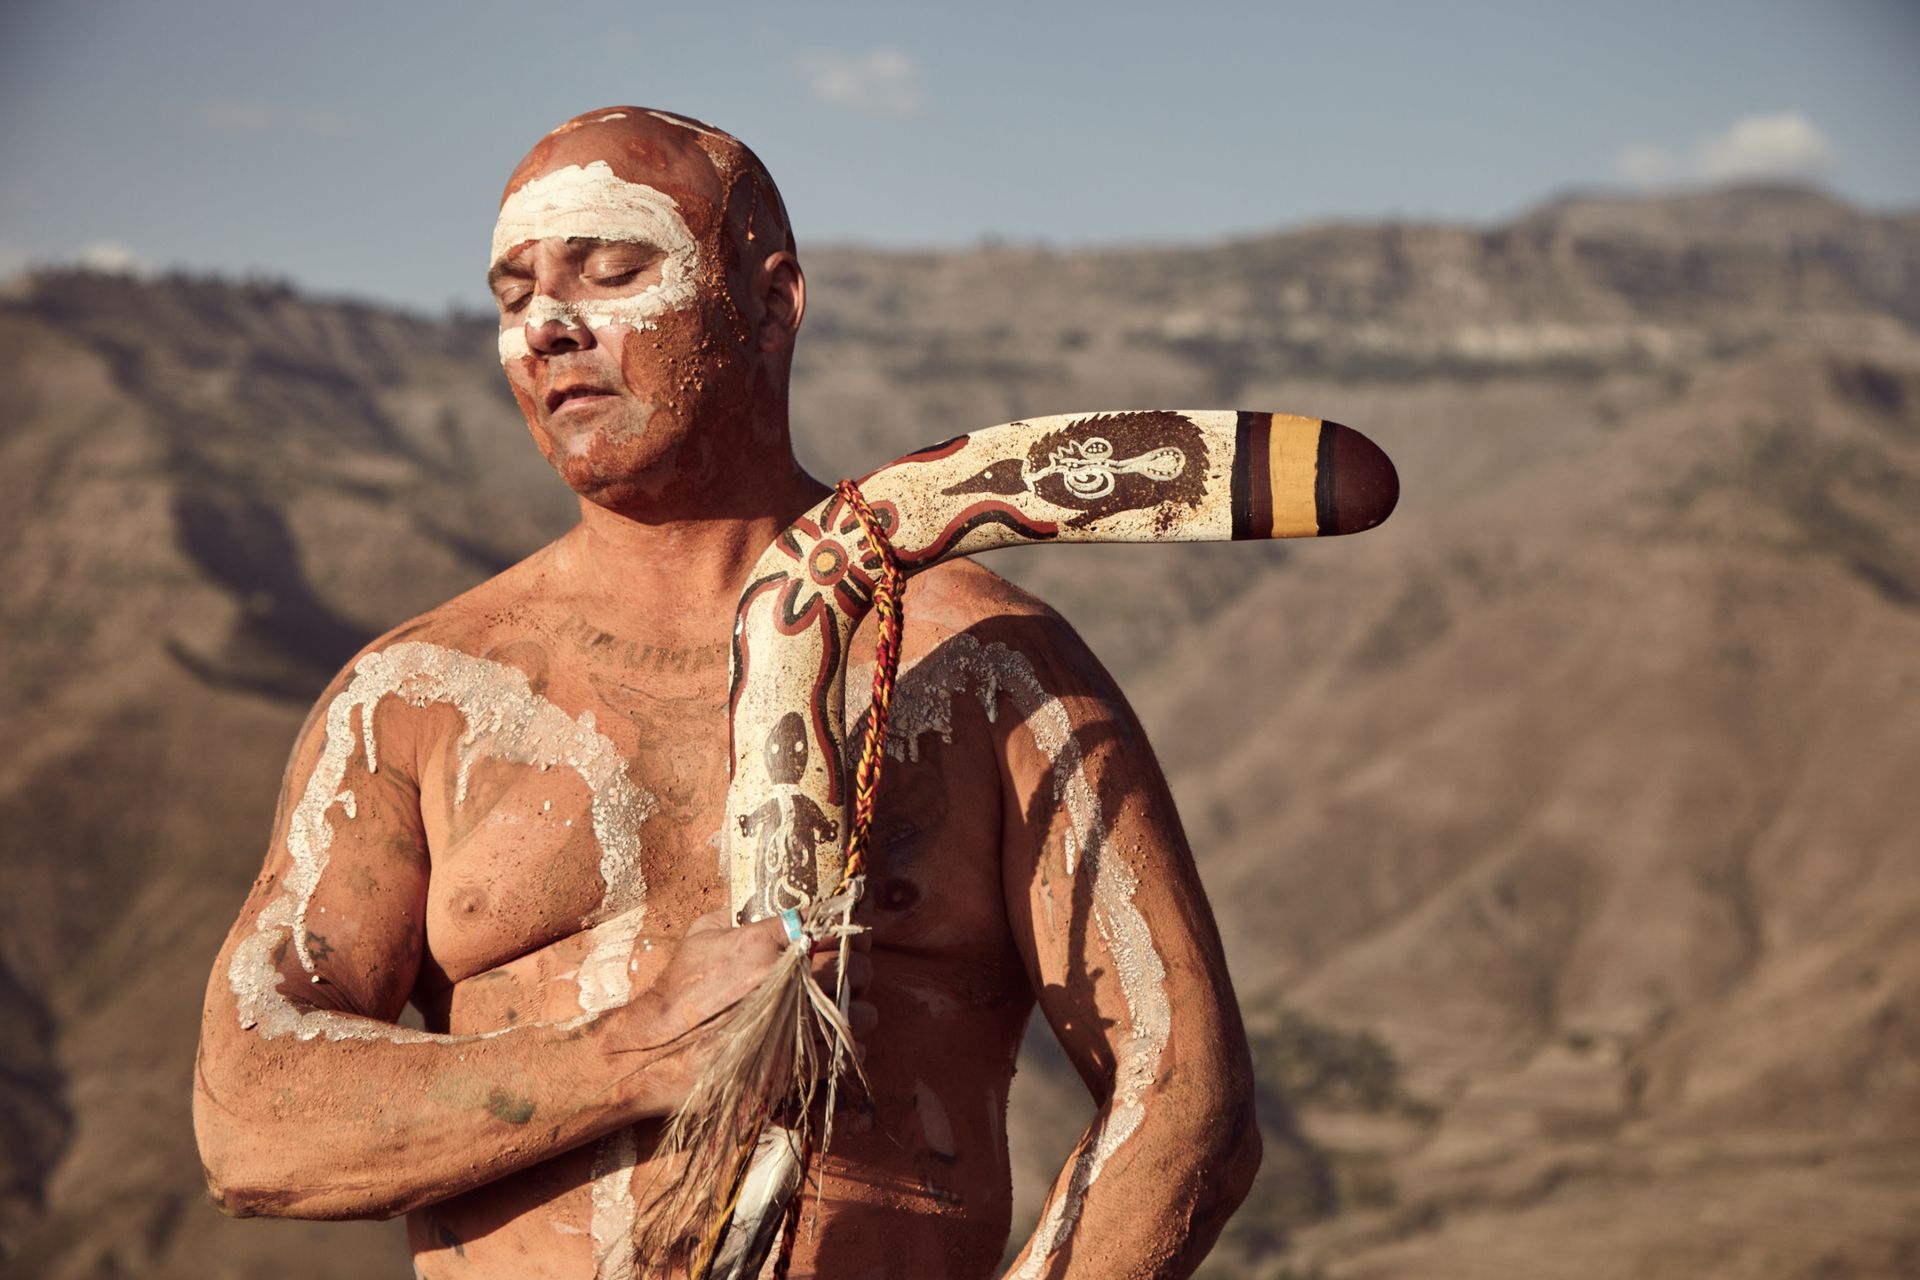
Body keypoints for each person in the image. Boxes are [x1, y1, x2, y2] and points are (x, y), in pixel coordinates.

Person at [193, 106, 1260, 1279]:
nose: (549, 326)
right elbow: (251, 1115)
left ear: (769, 303)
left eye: (613, 271)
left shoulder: (990, 669)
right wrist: (628, 1053)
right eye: (511, 295)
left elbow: (1186, 1094)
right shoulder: (416, 699)